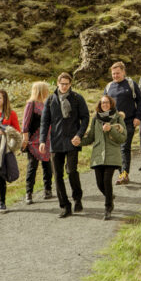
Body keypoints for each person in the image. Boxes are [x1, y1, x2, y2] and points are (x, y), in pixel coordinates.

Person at [39, 72, 89, 219]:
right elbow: (44, 122)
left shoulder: (77, 98)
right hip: (56, 142)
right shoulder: (50, 100)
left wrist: (79, 135)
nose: (64, 86)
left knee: (72, 171)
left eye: (67, 84)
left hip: (73, 140)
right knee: (58, 175)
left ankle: (77, 198)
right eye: (62, 84)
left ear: (70, 84)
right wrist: (42, 141)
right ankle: (65, 206)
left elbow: (85, 118)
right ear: (57, 84)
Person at [82, 93, 127, 220]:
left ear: (111, 104)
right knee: (99, 183)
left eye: (107, 102)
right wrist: (78, 142)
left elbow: (123, 138)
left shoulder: (118, 118)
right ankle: (110, 196)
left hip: (112, 154)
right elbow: (91, 137)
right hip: (98, 155)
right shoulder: (96, 119)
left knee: (107, 181)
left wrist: (111, 129)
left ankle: (108, 207)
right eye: (102, 103)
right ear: (100, 105)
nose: (105, 104)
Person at [104, 62, 141, 185]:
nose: (115, 76)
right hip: (113, 124)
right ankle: (121, 173)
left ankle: (124, 174)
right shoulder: (109, 87)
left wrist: (138, 117)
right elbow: (103, 105)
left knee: (124, 147)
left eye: (118, 73)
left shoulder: (131, 84)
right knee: (116, 149)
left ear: (123, 72)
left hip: (129, 122)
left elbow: (140, 101)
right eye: (113, 74)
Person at [20, 81, 52, 204]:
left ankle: (48, 189)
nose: (48, 92)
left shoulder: (47, 104)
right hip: (33, 140)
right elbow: (25, 123)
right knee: (32, 166)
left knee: (47, 165)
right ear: (41, 91)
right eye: (46, 89)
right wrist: (25, 139)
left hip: (47, 140)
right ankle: (29, 193)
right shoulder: (31, 104)